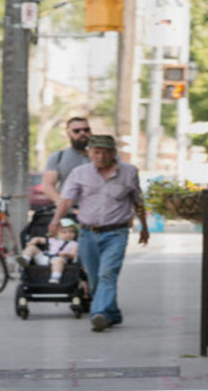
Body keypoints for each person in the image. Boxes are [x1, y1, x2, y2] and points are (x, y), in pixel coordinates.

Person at [48, 135, 149, 332]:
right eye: (97, 152)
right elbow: (67, 200)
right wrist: (55, 220)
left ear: (114, 153)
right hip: (88, 233)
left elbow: (137, 200)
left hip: (116, 232)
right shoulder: (79, 173)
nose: (101, 156)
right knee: (94, 278)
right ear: (89, 153)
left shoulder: (129, 172)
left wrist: (144, 226)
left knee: (107, 273)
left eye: (106, 152)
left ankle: (98, 314)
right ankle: (112, 314)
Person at [41, 116, 92, 204]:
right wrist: (62, 203)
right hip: (71, 212)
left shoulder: (104, 157)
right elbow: (48, 185)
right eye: (77, 131)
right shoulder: (58, 157)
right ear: (68, 134)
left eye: (86, 130)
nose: (82, 133)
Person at [16, 218, 80, 284]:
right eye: (64, 232)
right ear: (56, 234)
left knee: (58, 261)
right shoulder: (52, 240)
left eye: (72, 232)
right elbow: (38, 239)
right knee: (32, 248)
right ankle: (25, 260)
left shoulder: (74, 244)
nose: (68, 234)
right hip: (45, 258)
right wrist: (32, 242)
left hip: (60, 258)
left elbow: (73, 254)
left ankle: (55, 277)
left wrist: (66, 254)